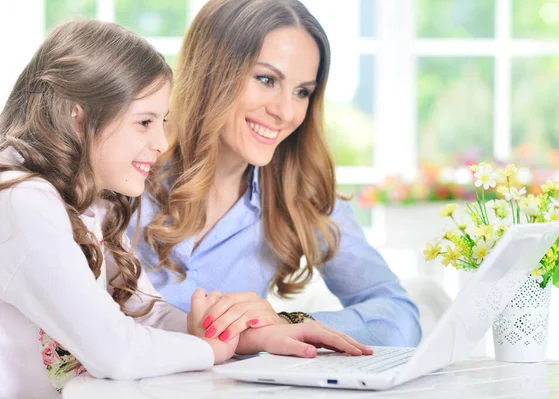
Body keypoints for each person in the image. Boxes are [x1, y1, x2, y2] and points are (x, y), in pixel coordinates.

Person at [0, 19, 370, 399]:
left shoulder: (87, 201)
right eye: (143, 122)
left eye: (161, 122)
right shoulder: (21, 201)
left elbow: (147, 311)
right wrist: (212, 349)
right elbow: (116, 352)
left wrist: (246, 337)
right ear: (78, 118)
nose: (161, 143)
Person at [134, 0, 422, 347]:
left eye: (303, 92)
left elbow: (400, 318)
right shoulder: (126, 177)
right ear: (212, 73)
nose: (286, 112)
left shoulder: (301, 196)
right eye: (267, 79)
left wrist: (287, 323)